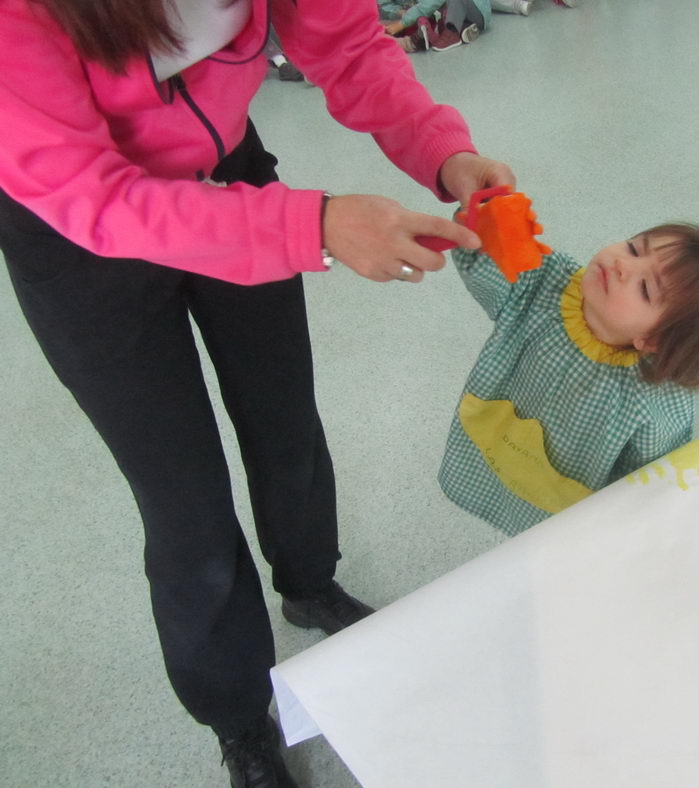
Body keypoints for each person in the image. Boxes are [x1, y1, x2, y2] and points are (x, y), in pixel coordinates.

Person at [0, 0, 514, 786]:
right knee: (185, 503)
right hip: (82, 233)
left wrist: (443, 152)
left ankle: (309, 585)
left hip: (228, 173)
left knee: (283, 421)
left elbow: (345, 48)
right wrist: (311, 227)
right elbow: (93, 197)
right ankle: (238, 717)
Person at [439, 221, 699, 536]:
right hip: (491, 445)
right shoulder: (544, 280)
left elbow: (645, 481)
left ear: (652, 340)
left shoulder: (656, 400)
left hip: (555, 499)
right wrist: (486, 223)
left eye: (645, 288)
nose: (623, 265)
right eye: (634, 248)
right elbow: (488, 268)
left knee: (532, 542)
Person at [381, 0, 492, 53]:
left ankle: (452, 32)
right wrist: (400, 13)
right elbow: (384, 5)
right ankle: (463, 29)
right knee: (422, 18)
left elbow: (431, 3)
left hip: (476, 10)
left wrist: (403, 23)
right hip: (448, 12)